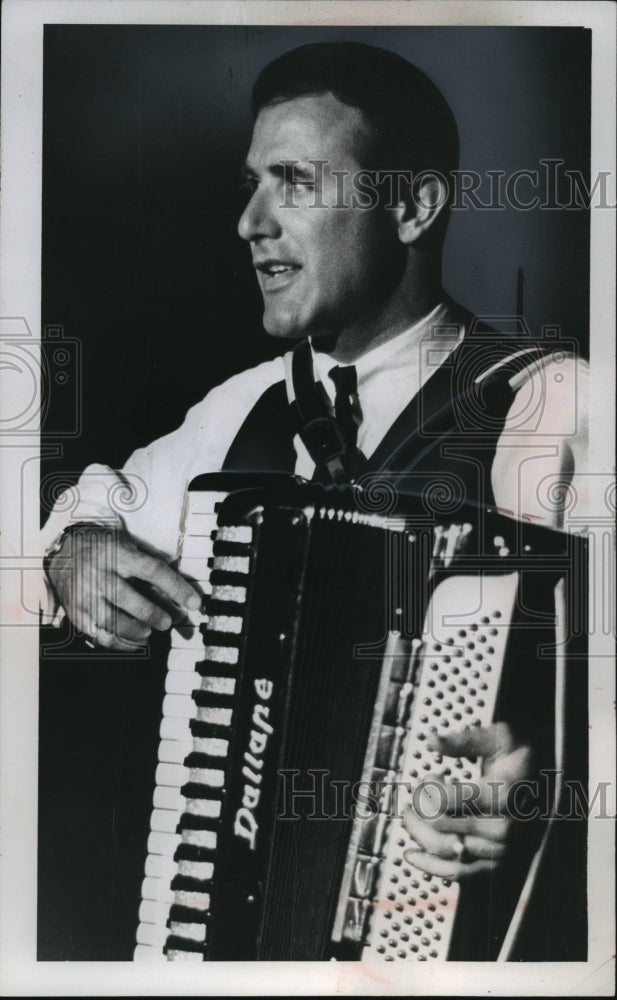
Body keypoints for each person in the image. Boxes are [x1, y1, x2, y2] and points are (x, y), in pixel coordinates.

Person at [40, 41, 589, 959]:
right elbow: (67, 528)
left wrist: (552, 787)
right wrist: (73, 548)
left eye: (294, 181)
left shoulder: (559, 408)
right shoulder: (238, 412)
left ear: (411, 206)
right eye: (252, 183)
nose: (250, 221)